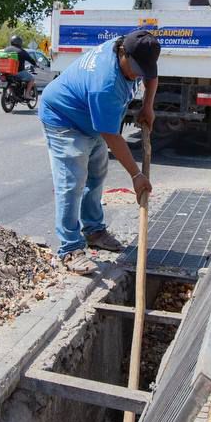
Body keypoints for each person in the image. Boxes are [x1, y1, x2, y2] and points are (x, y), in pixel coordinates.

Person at [38, 31, 160, 275]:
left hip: (90, 117)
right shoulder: (105, 83)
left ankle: (94, 230)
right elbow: (112, 136)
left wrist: (148, 106)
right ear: (122, 53)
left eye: (142, 70)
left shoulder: (131, 49)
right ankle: (70, 248)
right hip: (63, 118)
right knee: (72, 182)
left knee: (96, 174)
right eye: (135, 68)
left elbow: (151, 77)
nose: (137, 75)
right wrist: (136, 176)